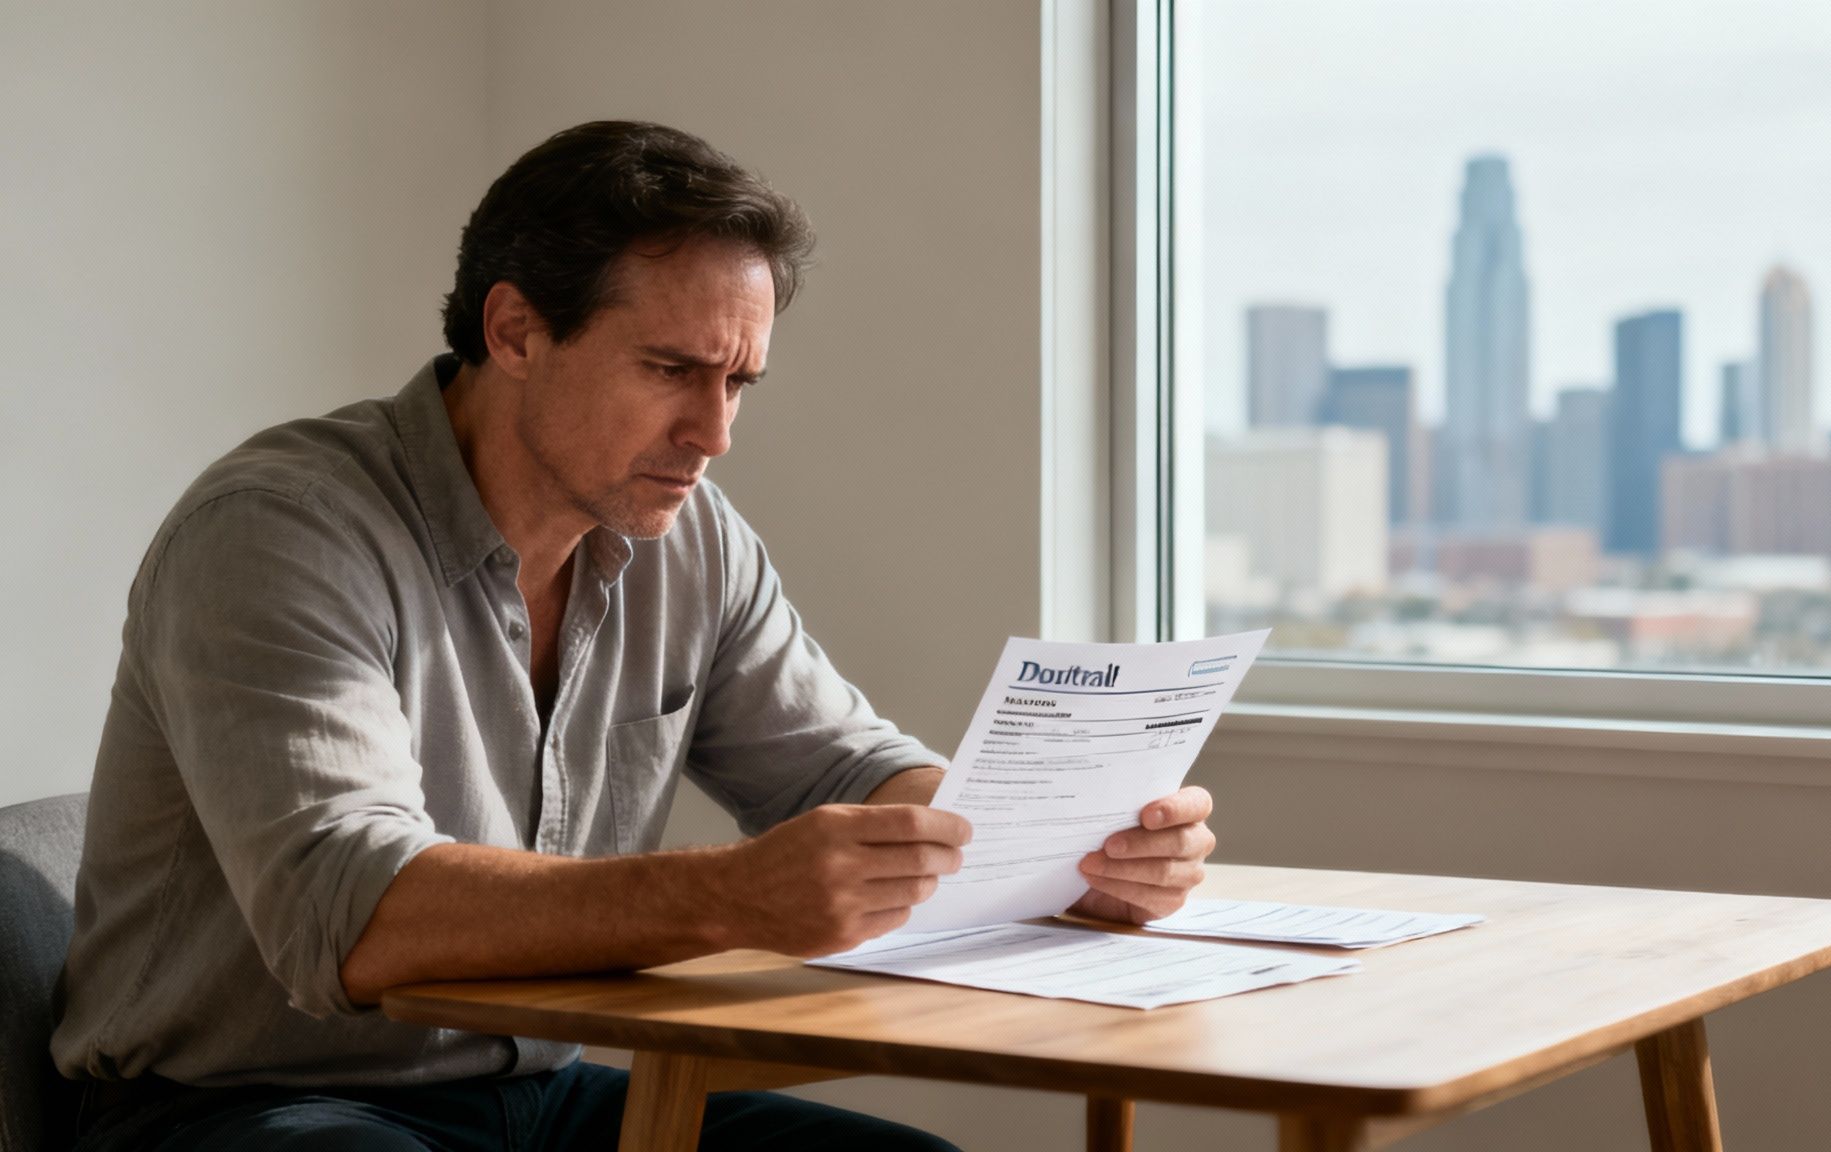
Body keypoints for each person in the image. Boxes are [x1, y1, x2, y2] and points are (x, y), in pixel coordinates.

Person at [50, 120, 1218, 1151]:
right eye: (671, 369)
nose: (712, 433)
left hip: (530, 1096)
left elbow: (846, 773)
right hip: (237, 1109)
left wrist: (1063, 855)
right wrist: (724, 897)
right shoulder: (280, 532)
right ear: (514, 330)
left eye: (740, 381)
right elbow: (349, 912)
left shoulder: (687, 538)